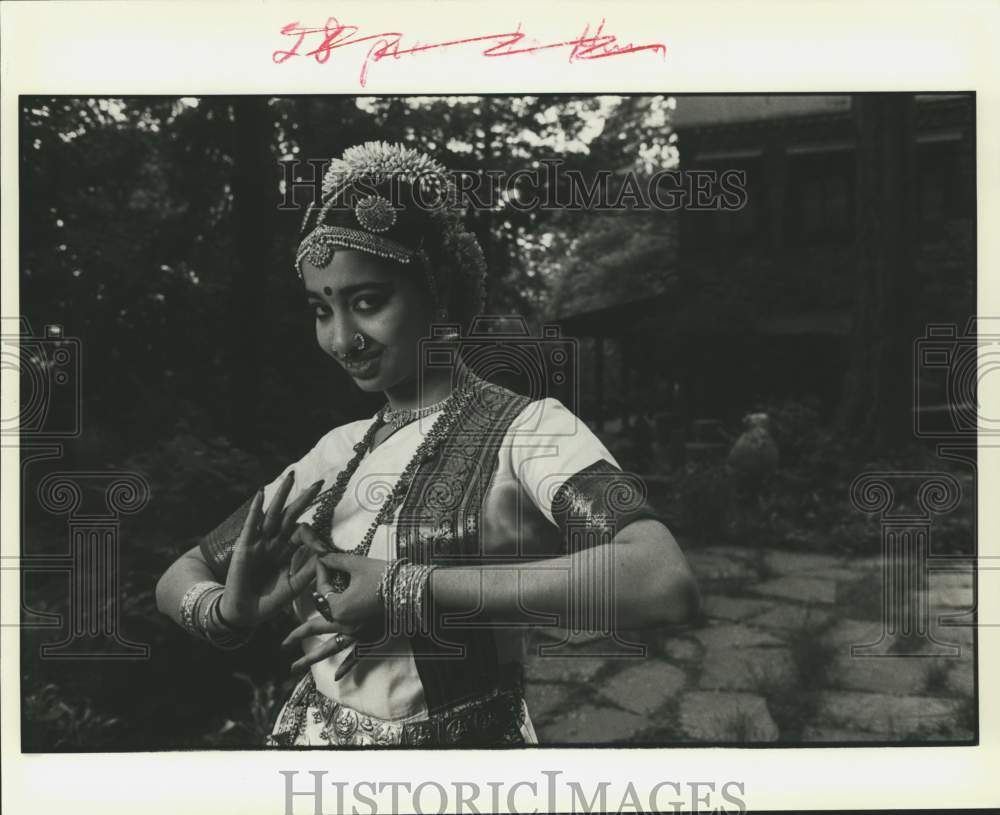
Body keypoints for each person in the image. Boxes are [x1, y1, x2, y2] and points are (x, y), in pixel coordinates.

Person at [155, 141, 701, 747]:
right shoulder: (336, 450)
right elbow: (185, 570)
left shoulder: (529, 431)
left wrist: (405, 588)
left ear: (437, 292)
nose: (342, 340)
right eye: (320, 310)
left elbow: (663, 580)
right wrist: (229, 612)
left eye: (368, 303)